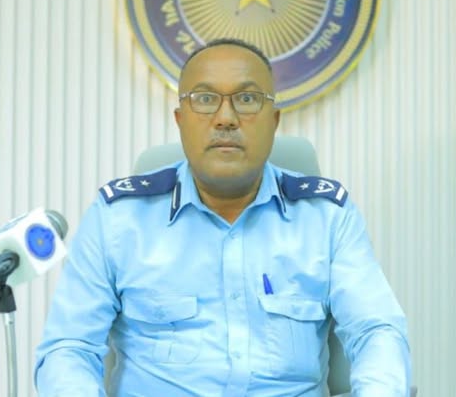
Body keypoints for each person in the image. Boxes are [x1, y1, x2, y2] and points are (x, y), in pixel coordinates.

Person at [34, 38, 411, 396]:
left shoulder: (326, 218)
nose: (226, 118)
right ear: (180, 120)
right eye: (205, 99)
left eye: (247, 99)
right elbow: (69, 347)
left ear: (274, 121)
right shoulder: (118, 220)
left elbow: (377, 330)